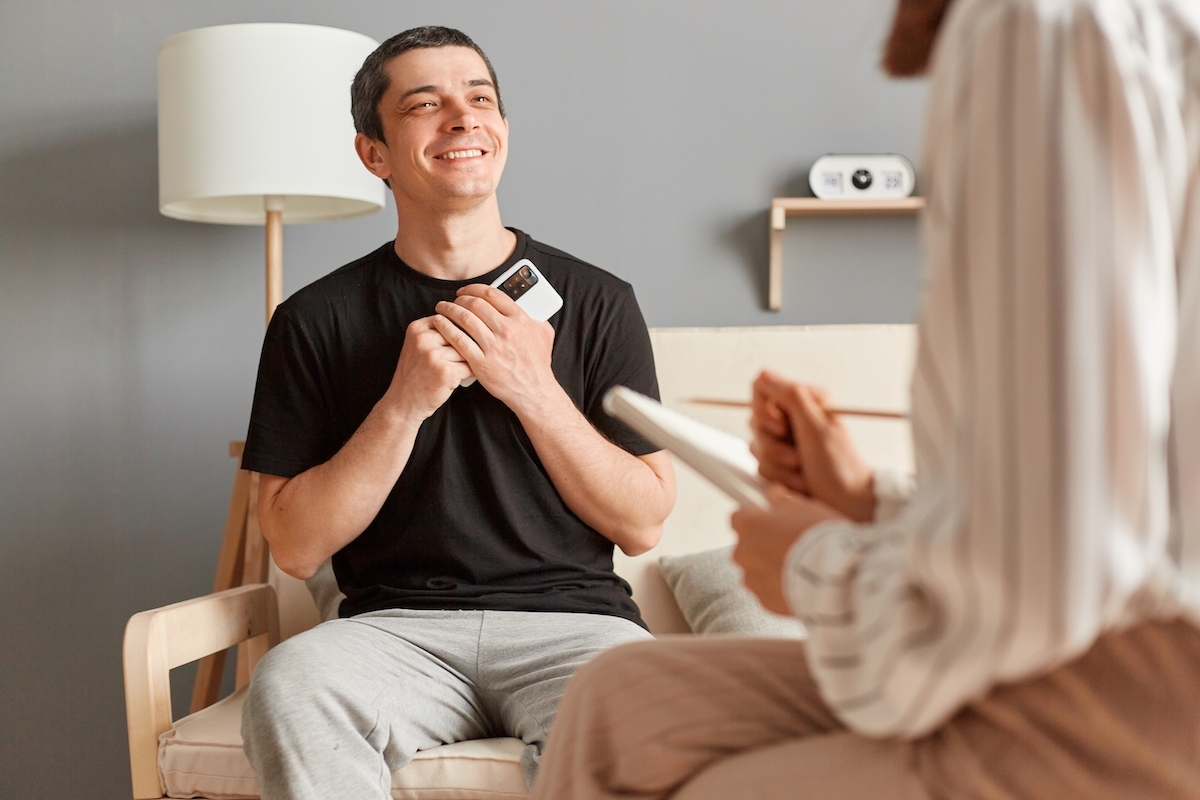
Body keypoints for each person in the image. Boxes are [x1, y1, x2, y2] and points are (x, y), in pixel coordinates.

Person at [530, 0, 1200, 797]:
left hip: (1125, 689)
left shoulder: (1042, 28)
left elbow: (1051, 578)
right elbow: (1109, 495)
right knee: (622, 700)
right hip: (1094, 632)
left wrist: (817, 566)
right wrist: (866, 501)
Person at [237, 26, 676, 800]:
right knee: (292, 684)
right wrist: (403, 403)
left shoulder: (602, 302)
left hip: (575, 627)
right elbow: (295, 547)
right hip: (390, 632)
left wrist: (532, 387)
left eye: (480, 99)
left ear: (502, 129)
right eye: (425, 104)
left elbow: (642, 522)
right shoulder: (313, 320)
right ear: (373, 153)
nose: (464, 118)